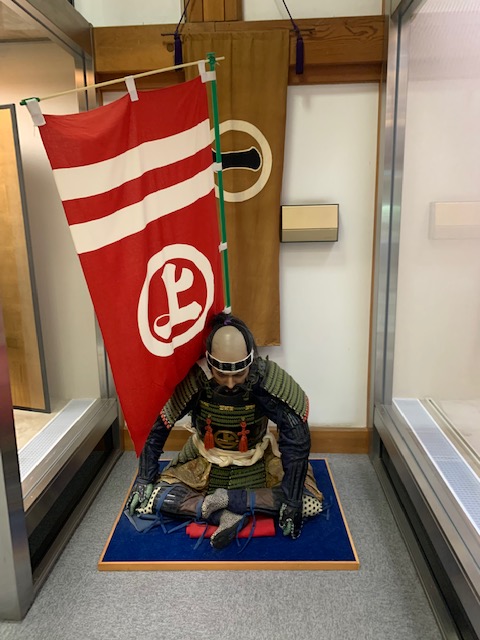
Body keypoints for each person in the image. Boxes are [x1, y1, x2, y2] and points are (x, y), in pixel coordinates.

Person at [127, 312, 323, 549]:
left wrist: (291, 502)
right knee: (154, 496)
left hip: (256, 460)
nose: (230, 384)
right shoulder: (197, 379)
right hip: (204, 460)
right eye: (222, 375)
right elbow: (158, 426)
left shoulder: (265, 378)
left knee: (307, 501)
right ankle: (221, 514)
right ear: (210, 364)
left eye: (238, 374)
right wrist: (145, 476)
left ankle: (227, 500)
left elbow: (296, 437)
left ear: (249, 362)